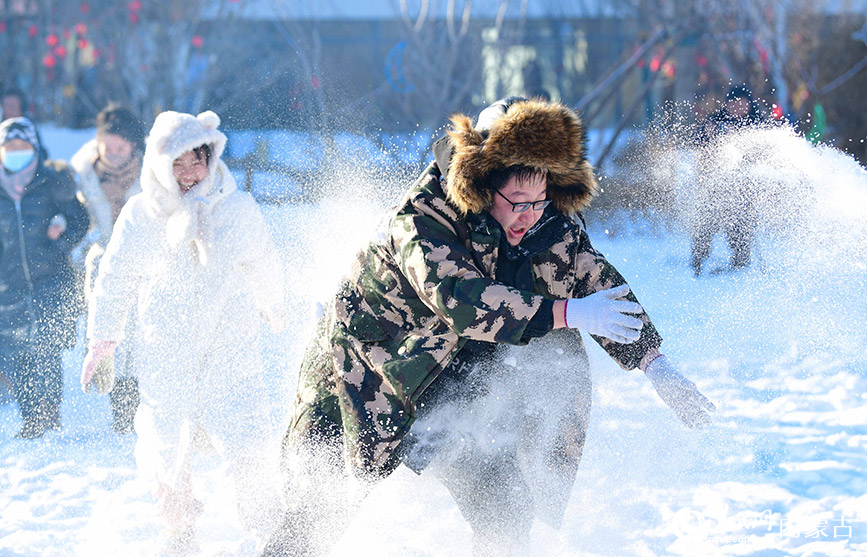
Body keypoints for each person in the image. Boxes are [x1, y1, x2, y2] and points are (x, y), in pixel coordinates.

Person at [264, 97, 716, 556]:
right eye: (518, 202)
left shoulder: (547, 219)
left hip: (454, 382)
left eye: (541, 201)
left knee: (508, 512)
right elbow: (458, 299)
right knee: (320, 508)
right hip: (364, 372)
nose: (530, 215)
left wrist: (654, 364)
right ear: (482, 184)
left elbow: (593, 279)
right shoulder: (424, 216)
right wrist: (563, 313)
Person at [80, 110, 287, 552]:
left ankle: (272, 529)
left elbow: (264, 261)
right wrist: (104, 337)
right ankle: (179, 532)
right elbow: (115, 278)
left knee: (246, 438)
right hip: (166, 351)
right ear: (159, 165)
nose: (191, 172)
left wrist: (274, 303)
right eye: (178, 163)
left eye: (198, 160)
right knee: (169, 447)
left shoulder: (237, 208)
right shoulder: (141, 215)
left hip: (230, 346)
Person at [0, 117, 89, 438]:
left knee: (47, 349)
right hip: (8, 285)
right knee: (15, 353)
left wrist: (61, 240)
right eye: (9, 147)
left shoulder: (52, 182)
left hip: (50, 279)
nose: (15, 152)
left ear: (35, 148)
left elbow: (80, 220)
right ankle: (31, 419)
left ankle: (50, 415)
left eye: (22, 146)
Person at [71, 103, 145, 434]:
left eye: (121, 147)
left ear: (133, 147)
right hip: (102, 259)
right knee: (108, 329)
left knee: (137, 333)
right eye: (108, 146)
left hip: (143, 259)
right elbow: (77, 221)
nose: (113, 154)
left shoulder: (151, 175)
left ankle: (136, 407)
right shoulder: (83, 175)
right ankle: (118, 402)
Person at [690, 84, 765, 276]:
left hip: (744, 190)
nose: (737, 108)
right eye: (732, 104)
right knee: (705, 226)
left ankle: (740, 266)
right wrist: (707, 134)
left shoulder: (758, 123)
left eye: (741, 103)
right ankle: (697, 264)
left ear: (749, 104)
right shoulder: (716, 121)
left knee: (740, 230)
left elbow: (765, 152)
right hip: (716, 187)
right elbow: (697, 142)